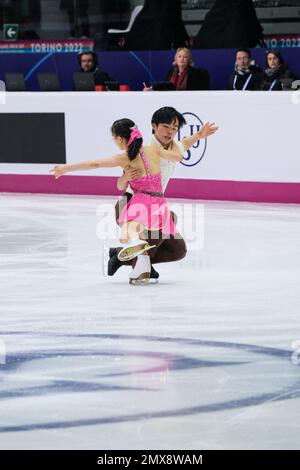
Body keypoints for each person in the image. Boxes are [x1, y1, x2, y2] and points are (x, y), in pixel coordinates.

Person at [51, 118, 218, 284]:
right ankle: (139, 258)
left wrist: (65, 168)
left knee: (127, 233)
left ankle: (135, 247)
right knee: (143, 229)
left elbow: (95, 164)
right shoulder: (153, 150)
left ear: (120, 139)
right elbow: (178, 155)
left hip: (141, 200)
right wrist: (185, 144)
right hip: (159, 202)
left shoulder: (124, 158)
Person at [109, 107, 188, 280]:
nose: (171, 132)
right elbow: (121, 183)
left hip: (151, 206)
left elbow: (184, 145)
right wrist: (125, 177)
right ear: (154, 125)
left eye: (175, 128)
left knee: (178, 251)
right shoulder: (144, 150)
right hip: (130, 204)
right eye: (166, 127)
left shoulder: (171, 147)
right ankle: (141, 265)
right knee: (168, 219)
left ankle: (124, 256)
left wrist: (200, 135)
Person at [143, 48, 209, 91]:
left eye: (185, 57)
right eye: (179, 56)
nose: (182, 59)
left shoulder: (196, 73)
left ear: (189, 60)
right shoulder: (171, 72)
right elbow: (165, 86)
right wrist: (151, 89)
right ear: (176, 59)